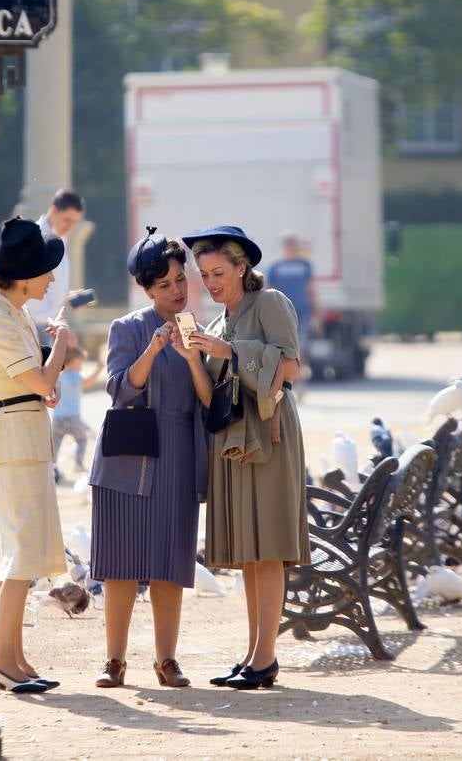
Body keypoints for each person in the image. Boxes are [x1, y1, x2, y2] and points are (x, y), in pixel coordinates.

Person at [180, 225, 311, 690]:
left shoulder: (270, 302)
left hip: (269, 435)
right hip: (234, 440)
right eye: (204, 274)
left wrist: (231, 350)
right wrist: (194, 356)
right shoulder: (217, 321)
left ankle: (264, 658)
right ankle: (256, 656)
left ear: (242, 267)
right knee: (251, 553)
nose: (211, 282)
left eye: (219, 272)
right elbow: (210, 396)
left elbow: (292, 365)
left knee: (269, 549)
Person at [88, 228, 210, 689]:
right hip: (127, 453)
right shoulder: (127, 328)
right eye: (165, 285)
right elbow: (120, 388)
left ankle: (167, 661)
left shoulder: (197, 329)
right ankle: (114, 661)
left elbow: (208, 399)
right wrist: (154, 347)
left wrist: (193, 357)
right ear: (146, 289)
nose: (177, 291)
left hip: (178, 448)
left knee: (169, 562)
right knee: (119, 563)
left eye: (181, 280)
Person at [0, 216, 70, 695]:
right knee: (20, 552)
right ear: (26, 275)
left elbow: (33, 386)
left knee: (24, 552)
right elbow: (41, 380)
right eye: (46, 270)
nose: (52, 278)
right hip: (13, 438)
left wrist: (45, 377)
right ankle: (0, 659)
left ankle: (11, 655)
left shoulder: (12, 313)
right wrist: (63, 349)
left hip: (23, 432)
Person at [24, 188, 85, 343]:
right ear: (53, 210)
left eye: (75, 222)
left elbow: (52, 281)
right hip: (37, 325)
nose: (70, 226)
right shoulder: (37, 238)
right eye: (67, 220)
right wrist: (58, 326)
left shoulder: (60, 236)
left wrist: (67, 297)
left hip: (49, 323)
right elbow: (30, 290)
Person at [265, 231, 319, 366]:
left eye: (293, 244)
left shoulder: (305, 265)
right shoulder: (275, 267)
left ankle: (300, 379)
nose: (291, 247)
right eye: (288, 244)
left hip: (302, 312)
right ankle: (287, 378)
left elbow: (311, 289)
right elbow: (268, 292)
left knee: (301, 345)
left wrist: (317, 313)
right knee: (283, 346)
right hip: (282, 313)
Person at [51, 345, 103, 478]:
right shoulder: (74, 375)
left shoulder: (59, 375)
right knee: (82, 439)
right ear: (74, 361)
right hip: (72, 418)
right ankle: (78, 464)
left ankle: (52, 465)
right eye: (81, 362)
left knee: (55, 444)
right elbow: (87, 383)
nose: (82, 365)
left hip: (57, 419)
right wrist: (98, 370)